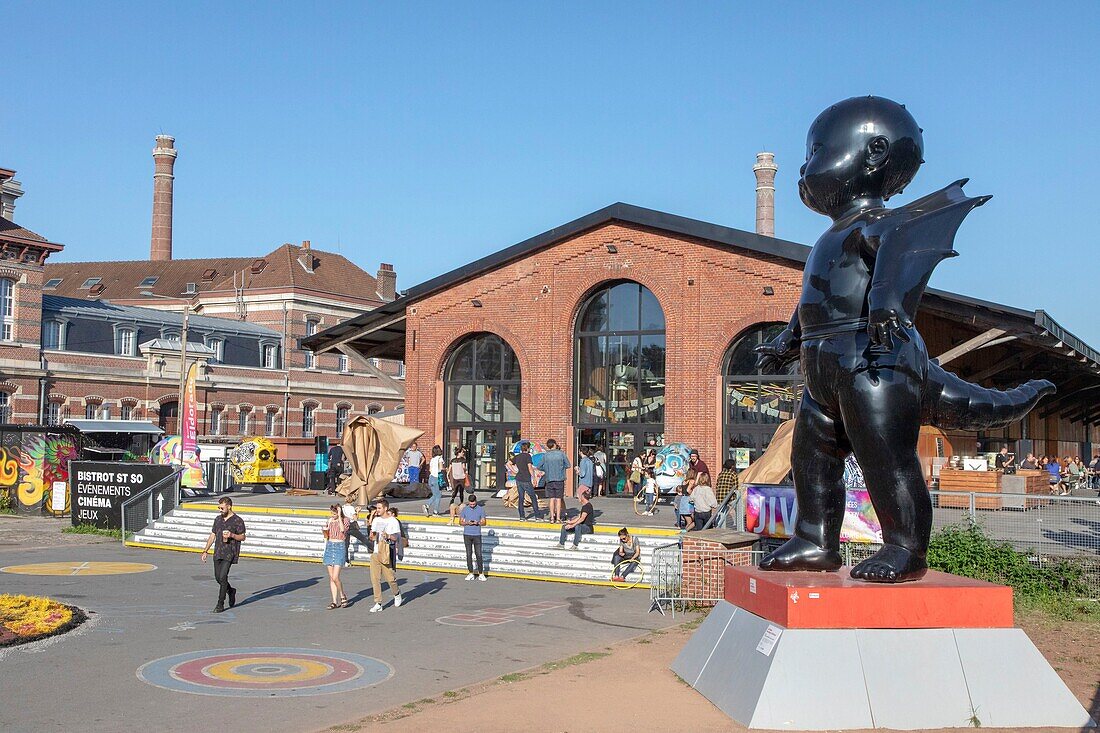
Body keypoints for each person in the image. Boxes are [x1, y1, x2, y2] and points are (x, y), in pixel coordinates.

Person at [200, 497, 246, 613]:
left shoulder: (237, 520)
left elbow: (242, 537)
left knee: (222, 577)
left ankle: (220, 604)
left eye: (222, 507)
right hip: (218, 551)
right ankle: (231, 591)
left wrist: (232, 535)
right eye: (218, 507)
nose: (220, 510)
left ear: (229, 506)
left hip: (230, 552)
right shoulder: (218, 519)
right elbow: (212, 535)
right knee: (218, 578)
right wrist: (205, 551)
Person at [368, 498, 403, 612]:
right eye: (377, 508)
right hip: (376, 551)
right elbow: (372, 537)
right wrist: (372, 534)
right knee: (375, 579)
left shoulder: (393, 521)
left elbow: (397, 537)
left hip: (387, 551)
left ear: (385, 508)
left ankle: (396, 594)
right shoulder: (376, 520)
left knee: (390, 579)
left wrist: (387, 535)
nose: (377, 510)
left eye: (379, 508)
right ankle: (378, 602)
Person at [322, 504, 351, 608]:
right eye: (332, 513)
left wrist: (339, 516)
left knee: (335, 577)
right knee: (331, 577)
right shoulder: (330, 520)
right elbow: (326, 535)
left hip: (339, 546)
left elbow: (343, 530)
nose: (333, 515)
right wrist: (324, 531)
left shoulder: (345, 520)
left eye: (334, 513)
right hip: (330, 545)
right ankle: (334, 601)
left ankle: (342, 595)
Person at [507, 442, 540, 521]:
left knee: (521, 498)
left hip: (518, 478)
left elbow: (508, 463)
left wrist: (514, 472)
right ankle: (537, 516)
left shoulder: (517, 456)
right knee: (533, 497)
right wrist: (534, 478)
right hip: (526, 479)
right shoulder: (528, 456)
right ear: (528, 448)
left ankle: (522, 516)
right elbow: (530, 468)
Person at [541, 438, 571, 523]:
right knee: (558, 499)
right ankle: (558, 518)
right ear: (554, 444)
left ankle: (551, 518)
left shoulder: (545, 455)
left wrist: (547, 469)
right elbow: (568, 465)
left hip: (549, 479)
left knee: (551, 499)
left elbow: (539, 466)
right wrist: (561, 468)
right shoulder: (561, 454)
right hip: (559, 478)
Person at [459, 493, 488, 581]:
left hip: (477, 535)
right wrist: (467, 523)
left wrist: (477, 523)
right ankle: (470, 572)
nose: (472, 505)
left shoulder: (480, 509)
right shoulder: (465, 509)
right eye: (470, 504)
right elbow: (460, 522)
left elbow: (484, 522)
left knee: (479, 554)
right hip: (467, 534)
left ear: (476, 502)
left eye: (473, 504)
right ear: (469, 502)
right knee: (468, 554)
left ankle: (481, 573)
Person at [341, 496, 370, 566]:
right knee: (363, 538)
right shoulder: (351, 508)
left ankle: (346, 560)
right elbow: (355, 518)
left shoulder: (343, 507)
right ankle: (373, 549)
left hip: (345, 525)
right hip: (351, 526)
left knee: (346, 544)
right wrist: (357, 511)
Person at [448, 447, 468, 525]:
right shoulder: (463, 460)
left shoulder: (452, 460)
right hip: (461, 476)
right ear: (459, 453)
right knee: (461, 491)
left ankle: (452, 499)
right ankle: (461, 502)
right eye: (462, 452)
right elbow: (463, 468)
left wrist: (448, 476)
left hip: (455, 477)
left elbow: (449, 469)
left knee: (455, 490)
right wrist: (466, 471)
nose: (463, 453)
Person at [424, 445, 445, 516]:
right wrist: (446, 470)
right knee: (438, 495)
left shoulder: (432, 459)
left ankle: (427, 506)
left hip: (431, 478)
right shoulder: (440, 459)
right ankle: (435, 511)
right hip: (437, 478)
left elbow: (430, 470)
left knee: (435, 495)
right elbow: (441, 468)